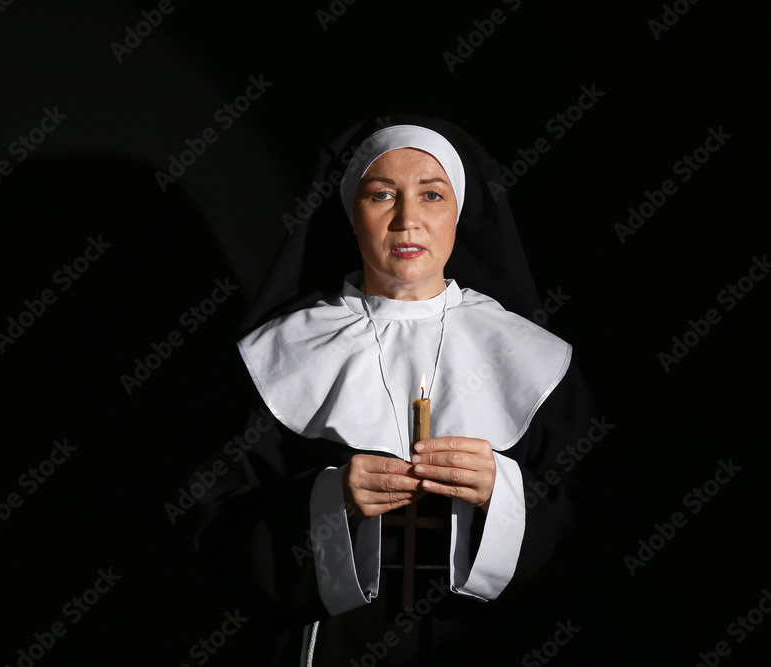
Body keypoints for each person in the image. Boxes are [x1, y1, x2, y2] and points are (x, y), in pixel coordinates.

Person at [195, 115, 601, 666]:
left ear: (459, 211)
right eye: (382, 195)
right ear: (350, 213)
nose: (408, 220)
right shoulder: (278, 354)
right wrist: (327, 503)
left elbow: (598, 529)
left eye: (432, 195)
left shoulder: (534, 358)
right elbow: (211, 529)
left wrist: (501, 493)